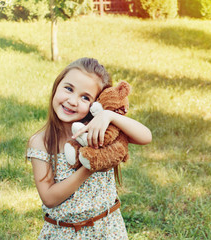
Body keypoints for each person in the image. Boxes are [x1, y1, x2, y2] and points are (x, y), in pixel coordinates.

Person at [26, 57, 152, 239]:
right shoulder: (41, 142)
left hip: (107, 229)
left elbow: (146, 136)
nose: (72, 101)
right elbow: (49, 198)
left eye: (85, 97)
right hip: (63, 232)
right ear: (56, 86)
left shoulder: (99, 131)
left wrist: (109, 116)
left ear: (95, 104)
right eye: (68, 89)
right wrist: (90, 166)